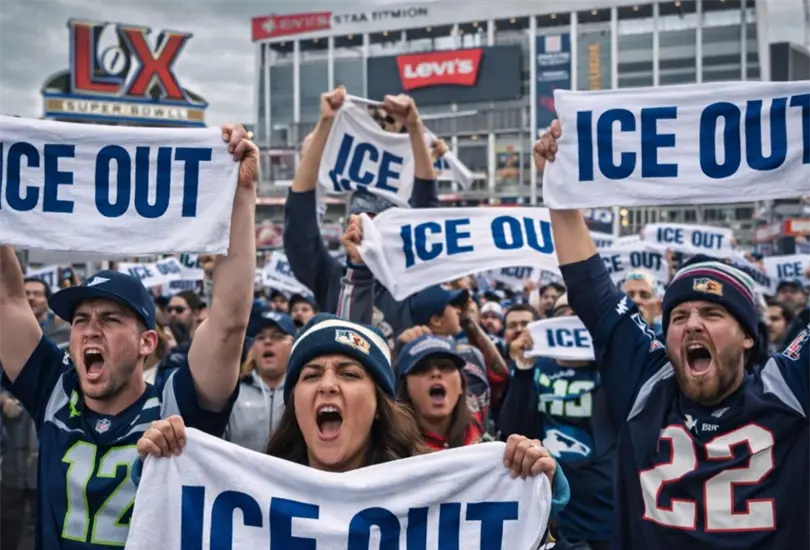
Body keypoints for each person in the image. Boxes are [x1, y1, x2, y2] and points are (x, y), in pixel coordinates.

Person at [534, 120, 810, 549]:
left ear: (748, 337)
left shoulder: (788, 389)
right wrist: (560, 187)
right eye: (679, 315)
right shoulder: (647, 379)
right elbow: (592, 292)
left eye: (713, 312)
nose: (693, 323)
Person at [0, 123, 257, 550]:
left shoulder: (177, 403)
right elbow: (9, 301)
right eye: (80, 319)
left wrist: (241, 196)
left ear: (148, 343)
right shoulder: (54, 389)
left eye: (110, 319)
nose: (89, 329)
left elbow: (229, 321)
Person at [136, 315, 568, 523]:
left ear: (380, 403)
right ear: (294, 405)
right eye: (310, 375)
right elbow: (176, 515)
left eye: (348, 373)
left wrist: (534, 480)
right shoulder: (251, 494)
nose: (327, 385)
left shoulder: (433, 494)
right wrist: (164, 464)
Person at [285, 87, 439, 335]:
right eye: (358, 221)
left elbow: (426, 212)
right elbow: (299, 225)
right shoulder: (332, 277)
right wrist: (326, 123)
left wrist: (414, 126)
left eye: (377, 223)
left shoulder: (410, 281)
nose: (365, 230)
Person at [499, 293, 616, 550]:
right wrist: (522, 370)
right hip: (555, 509)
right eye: (562, 311)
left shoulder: (615, 366)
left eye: (578, 311)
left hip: (609, 513)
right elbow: (513, 430)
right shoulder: (537, 367)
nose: (570, 317)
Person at [395, 334, 489, 449]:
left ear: (461, 386)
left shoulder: (478, 432)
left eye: (445, 366)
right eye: (422, 368)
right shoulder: (393, 449)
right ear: (405, 388)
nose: (436, 373)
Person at [225, 310, 295, 452]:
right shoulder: (233, 391)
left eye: (277, 337)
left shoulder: (300, 391)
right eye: (261, 337)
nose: (268, 342)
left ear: (293, 345)